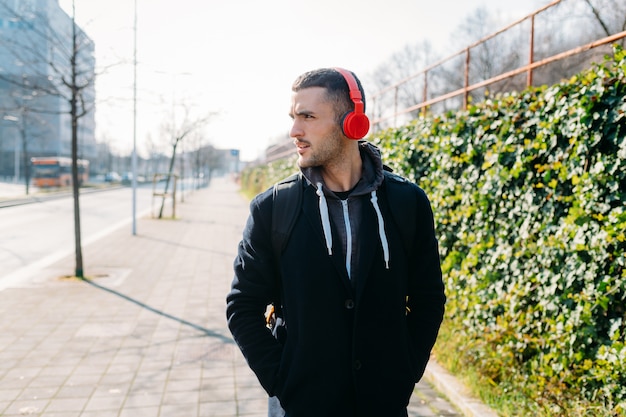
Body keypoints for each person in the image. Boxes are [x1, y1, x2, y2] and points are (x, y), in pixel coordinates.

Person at [226, 67, 446, 417]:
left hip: (383, 407)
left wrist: (405, 375)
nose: (294, 131)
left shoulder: (408, 203)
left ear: (352, 123)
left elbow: (428, 299)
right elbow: (242, 306)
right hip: (299, 408)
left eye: (308, 117)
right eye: (293, 117)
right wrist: (282, 382)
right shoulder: (273, 209)